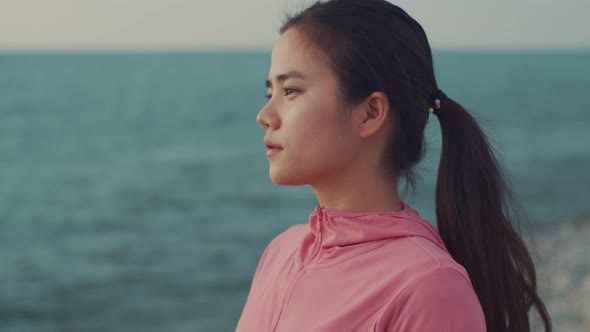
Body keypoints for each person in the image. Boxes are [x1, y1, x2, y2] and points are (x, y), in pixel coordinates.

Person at [236, 0, 552, 331]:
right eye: (269, 92)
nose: (265, 116)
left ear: (371, 112)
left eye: (291, 90)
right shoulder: (281, 252)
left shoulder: (428, 288)